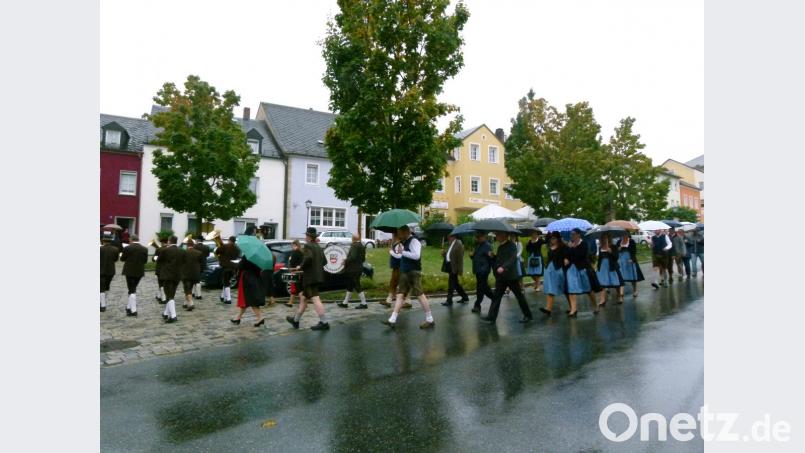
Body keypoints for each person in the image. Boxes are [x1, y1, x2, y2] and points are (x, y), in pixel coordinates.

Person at [382, 225, 435, 329]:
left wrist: (403, 252)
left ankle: (430, 319)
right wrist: (394, 252)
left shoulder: (414, 241)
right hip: (405, 271)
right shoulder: (404, 242)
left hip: (413, 272)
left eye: (400, 232)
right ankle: (392, 320)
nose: (398, 235)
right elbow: (401, 256)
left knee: (420, 294)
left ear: (406, 232)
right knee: (400, 295)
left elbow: (416, 256)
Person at [481, 230, 534, 324]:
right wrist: (493, 256)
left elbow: (512, 259)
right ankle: (491, 317)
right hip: (501, 277)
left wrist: (503, 267)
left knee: (519, 296)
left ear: (504, 235)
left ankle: (528, 315)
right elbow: (500, 259)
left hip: (511, 276)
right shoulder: (501, 246)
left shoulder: (512, 245)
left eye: (497, 234)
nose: (496, 236)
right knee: (496, 297)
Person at [286, 227, 330, 331]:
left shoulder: (308, 246)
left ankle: (324, 322)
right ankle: (296, 320)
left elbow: (308, 258)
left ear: (309, 236)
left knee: (315, 298)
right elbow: (324, 261)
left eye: (306, 235)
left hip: (310, 278)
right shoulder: (318, 247)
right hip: (317, 276)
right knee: (304, 299)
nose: (305, 237)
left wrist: (300, 266)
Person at [565, 228, 602, 316]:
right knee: (571, 288)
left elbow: (581, 256)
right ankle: (573, 309)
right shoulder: (570, 244)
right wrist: (566, 256)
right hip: (572, 269)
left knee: (588, 289)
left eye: (573, 234)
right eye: (571, 234)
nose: (571, 236)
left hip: (583, 269)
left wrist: (572, 248)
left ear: (578, 235)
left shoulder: (584, 244)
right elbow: (567, 255)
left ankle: (595, 305)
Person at [231, 256, 267, 327]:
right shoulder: (258, 258)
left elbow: (239, 266)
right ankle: (238, 318)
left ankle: (260, 318)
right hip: (254, 279)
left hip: (246, 279)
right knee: (246, 300)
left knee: (248, 299)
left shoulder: (247, 256)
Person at [381, 232, 412, 309]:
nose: (392, 236)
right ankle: (390, 300)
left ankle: (406, 300)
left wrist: (390, 252)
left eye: (393, 235)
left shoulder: (400, 244)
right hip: (397, 267)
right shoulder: (397, 243)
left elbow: (399, 256)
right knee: (394, 283)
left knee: (396, 283)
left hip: (399, 267)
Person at [538, 232, 567, 316]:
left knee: (565, 289)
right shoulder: (550, 247)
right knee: (550, 288)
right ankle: (548, 308)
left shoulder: (562, 246)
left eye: (554, 238)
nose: (552, 240)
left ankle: (572, 307)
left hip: (558, 269)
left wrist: (566, 259)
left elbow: (568, 254)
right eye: (551, 238)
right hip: (550, 269)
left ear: (558, 239)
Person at [338, 234, 368, 309]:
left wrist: (345, 261)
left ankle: (364, 303)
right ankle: (345, 303)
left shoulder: (354, 245)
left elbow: (353, 256)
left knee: (357, 285)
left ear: (353, 238)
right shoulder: (361, 245)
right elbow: (363, 259)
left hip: (353, 269)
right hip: (359, 268)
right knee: (350, 285)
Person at [158, 236, 184, 323]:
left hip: (167, 275)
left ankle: (173, 316)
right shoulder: (181, 250)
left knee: (169, 295)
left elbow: (159, 260)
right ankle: (166, 313)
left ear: (169, 241)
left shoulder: (165, 250)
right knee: (171, 294)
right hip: (177, 275)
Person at [120, 234, 147, 316]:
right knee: (133, 289)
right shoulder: (144, 249)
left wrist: (121, 254)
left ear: (131, 240)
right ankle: (129, 307)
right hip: (139, 272)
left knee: (132, 290)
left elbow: (122, 259)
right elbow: (145, 261)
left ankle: (133, 310)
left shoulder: (127, 248)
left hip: (129, 271)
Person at [596, 233, 624, 305]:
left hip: (612, 267)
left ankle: (619, 295)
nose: (604, 239)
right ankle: (602, 299)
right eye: (603, 238)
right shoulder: (600, 247)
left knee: (616, 283)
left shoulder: (613, 247)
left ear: (609, 238)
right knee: (602, 283)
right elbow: (599, 259)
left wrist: (611, 252)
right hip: (603, 268)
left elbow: (616, 257)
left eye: (606, 238)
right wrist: (598, 267)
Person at [470, 231, 495, 314]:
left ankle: (477, 305)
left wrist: (490, 268)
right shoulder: (478, 245)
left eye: (479, 237)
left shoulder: (487, 246)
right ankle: (494, 298)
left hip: (483, 270)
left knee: (481, 288)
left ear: (484, 237)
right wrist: (472, 255)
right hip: (478, 270)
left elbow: (491, 258)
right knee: (483, 288)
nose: (478, 238)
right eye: (477, 237)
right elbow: (476, 257)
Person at [441, 233, 469, 306]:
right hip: (450, 266)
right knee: (456, 284)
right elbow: (450, 255)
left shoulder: (458, 244)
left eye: (449, 236)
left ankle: (449, 300)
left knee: (451, 284)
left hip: (454, 268)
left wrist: (460, 270)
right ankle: (465, 297)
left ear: (454, 236)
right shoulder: (452, 244)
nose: (448, 237)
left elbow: (460, 259)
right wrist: (444, 254)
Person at [181, 239, 205, 311]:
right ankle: (185, 303)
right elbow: (203, 264)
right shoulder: (199, 253)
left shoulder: (183, 253)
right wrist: (199, 271)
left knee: (187, 289)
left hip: (186, 274)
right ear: (193, 245)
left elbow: (180, 263)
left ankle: (191, 303)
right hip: (196, 274)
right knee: (190, 288)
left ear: (187, 245)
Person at [215, 236, 241, 304]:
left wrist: (219, 246)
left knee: (226, 283)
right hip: (233, 267)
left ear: (229, 240)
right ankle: (222, 296)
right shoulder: (237, 248)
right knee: (226, 281)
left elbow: (217, 252)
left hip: (226, 267)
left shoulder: (225, 246)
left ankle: (228, 299)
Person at [99, 232, 119, 312]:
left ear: (103, 240)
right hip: (111, 271)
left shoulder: (100, 249)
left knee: (101, 288)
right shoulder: (115, 249)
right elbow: (115, 260)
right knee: (106, 287)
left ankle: (102, 305)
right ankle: (102, 302)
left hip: (100, 271)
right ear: (110, 240)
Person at [285, 240, 304, 307]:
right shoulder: (302, 252)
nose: (292, 247)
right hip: (301, 272)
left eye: (292, 246)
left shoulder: (295, 252)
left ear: (295, 245)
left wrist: (290, 267)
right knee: (294, 288)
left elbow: (292, 262)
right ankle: (290, 302)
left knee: (299, 289)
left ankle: (303, 303)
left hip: (295, 272)